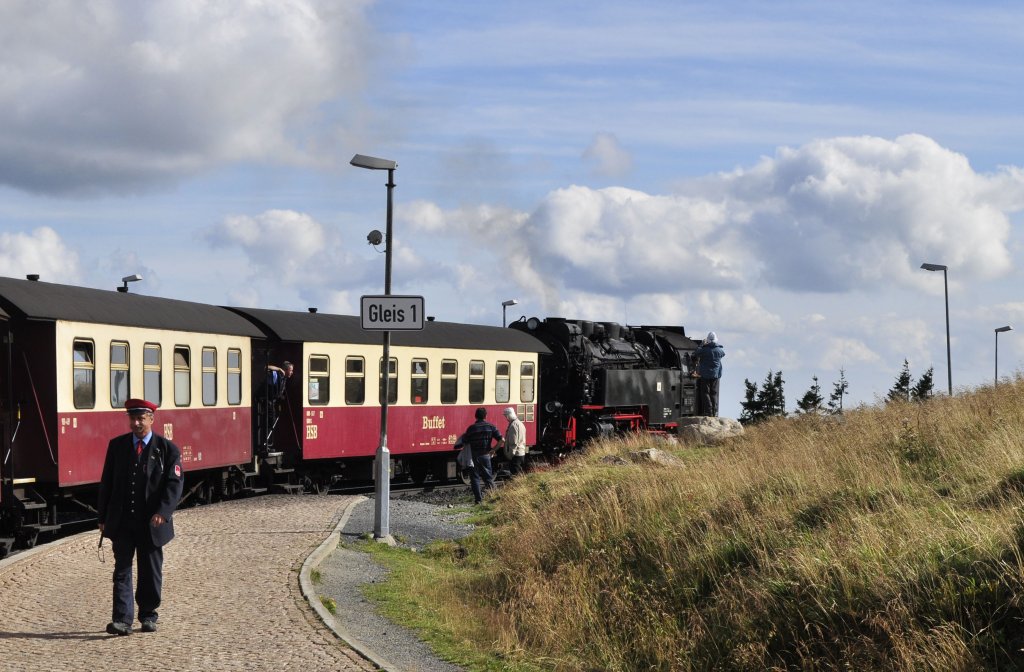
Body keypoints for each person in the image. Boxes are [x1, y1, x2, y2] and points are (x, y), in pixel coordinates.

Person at [97, 398, 183, 636]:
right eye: (132, 419)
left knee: (150, 571)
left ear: (151, 419)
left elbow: (174, 485)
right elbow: (107, 483)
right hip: (123, 521)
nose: (136, 423)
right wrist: (102, 516)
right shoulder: (117, 446)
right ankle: (122, 620)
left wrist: (163, 513)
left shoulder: (167, 450)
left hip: (151, 523)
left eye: (140, 419)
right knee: (121, 570)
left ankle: (148, 615)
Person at [462, 407, 504, 504]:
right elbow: (502, 440)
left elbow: (465, 441)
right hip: (485, 455)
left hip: (473, 456)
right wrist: (494, 449)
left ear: (475, 416)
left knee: (475, 478)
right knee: (488, 477)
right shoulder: (491, 427)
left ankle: (478, 500)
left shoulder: (471, 428)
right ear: (486, 416)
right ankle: (495, 498)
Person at [694, 331, 725, 417]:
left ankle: (709, 411)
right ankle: (714, 412)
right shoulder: (719, 350)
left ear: (708, 340)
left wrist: (701, 344)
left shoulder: (704, 350)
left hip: (705, 375)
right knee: (713, 393)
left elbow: (696, 353)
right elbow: (723, 354)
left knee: (705, 393)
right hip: (715, 375)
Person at [503, 407, 527, 475]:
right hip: (521, 452)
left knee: (516, 474)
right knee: (519, 473)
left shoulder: (514, 425)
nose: (506, 418)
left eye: (505, 416)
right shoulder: (520, 423)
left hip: (516, 454)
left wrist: (510, 455)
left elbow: (514, 442)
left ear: (508, 415)